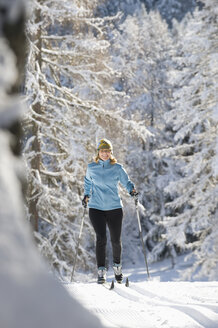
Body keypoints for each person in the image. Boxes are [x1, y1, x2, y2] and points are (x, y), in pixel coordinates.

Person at [82, 138, 137, 284]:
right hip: (96, 208)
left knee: (115, 240)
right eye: (102, 151)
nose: (104, 154)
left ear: (111, 152)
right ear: (98, 152)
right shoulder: (91, 167)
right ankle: (101, 271)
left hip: (114, 208)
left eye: (107, 151)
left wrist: (132, 190)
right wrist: (86, 195)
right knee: (101, 239)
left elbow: (126, 182)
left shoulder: (117, 168)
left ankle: (117, 268)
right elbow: (87, 183)